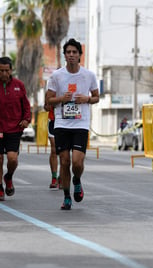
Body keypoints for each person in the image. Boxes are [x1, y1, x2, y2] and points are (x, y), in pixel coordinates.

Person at [45, 38, 99, 210]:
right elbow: (48, 102)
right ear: (64, 55)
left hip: (80, 124)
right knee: (65, 161)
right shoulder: (56, 76)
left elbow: (97, 97)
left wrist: (87, 99)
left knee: (77, 162)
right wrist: (62, 98)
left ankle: (77, 180)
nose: (71, 55)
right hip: (61, 123)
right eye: (68, 52)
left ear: (80, 55)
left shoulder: (88, 75)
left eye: (74, 52)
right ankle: (67, 196)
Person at [0, 56, 31, 201]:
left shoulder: (19, 85)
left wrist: (26, 119)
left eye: (6, 70)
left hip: (14, 129)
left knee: (12, 159)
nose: (4, 73)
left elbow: (26, 106)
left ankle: (9, 177)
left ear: (11, 70)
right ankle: (0, 187)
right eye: (1, 71)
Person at [43, 101, 60, 189]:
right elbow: (46, 107)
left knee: (64, 151)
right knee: (54, 150)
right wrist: (48, 105)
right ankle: (54, 177)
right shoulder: (51, 90)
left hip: (68, 122)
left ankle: (62, 177)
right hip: (53, 121)